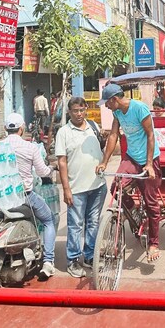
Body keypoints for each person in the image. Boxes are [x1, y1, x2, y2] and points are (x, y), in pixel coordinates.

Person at [96, 83, 162, 263]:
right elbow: (113, 136)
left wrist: (149, 164)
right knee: (116, 187)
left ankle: (154, 243)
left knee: (151, 203)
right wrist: (104, 162)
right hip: (131, 157)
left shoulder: (139, 108)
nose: (106, 106)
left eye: (107, 103)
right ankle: (133, 212)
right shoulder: (117, 113)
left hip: (149, 158)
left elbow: (150, 135)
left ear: (114, 100)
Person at [55, 97, 107, 278]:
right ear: (69, 112)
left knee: (93, 222)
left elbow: (101, 148)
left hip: (98, 185)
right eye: (75, 111)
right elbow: (62, 162)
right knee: (75, 225)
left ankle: (90, 256)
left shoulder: (93, 126)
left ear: (86, 110)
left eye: (82, 110)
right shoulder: (63, 132)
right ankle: (73, 260)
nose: (79, 114)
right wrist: (66, 189)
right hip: (76, 189)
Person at [5, 112, 57, 280]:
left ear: (6, 129)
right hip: (26, 196)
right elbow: (42, 172)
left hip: (3, 199)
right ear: (21, 129)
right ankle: (48, 262)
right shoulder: (30, 147)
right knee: (49, 220)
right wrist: (52, 168)